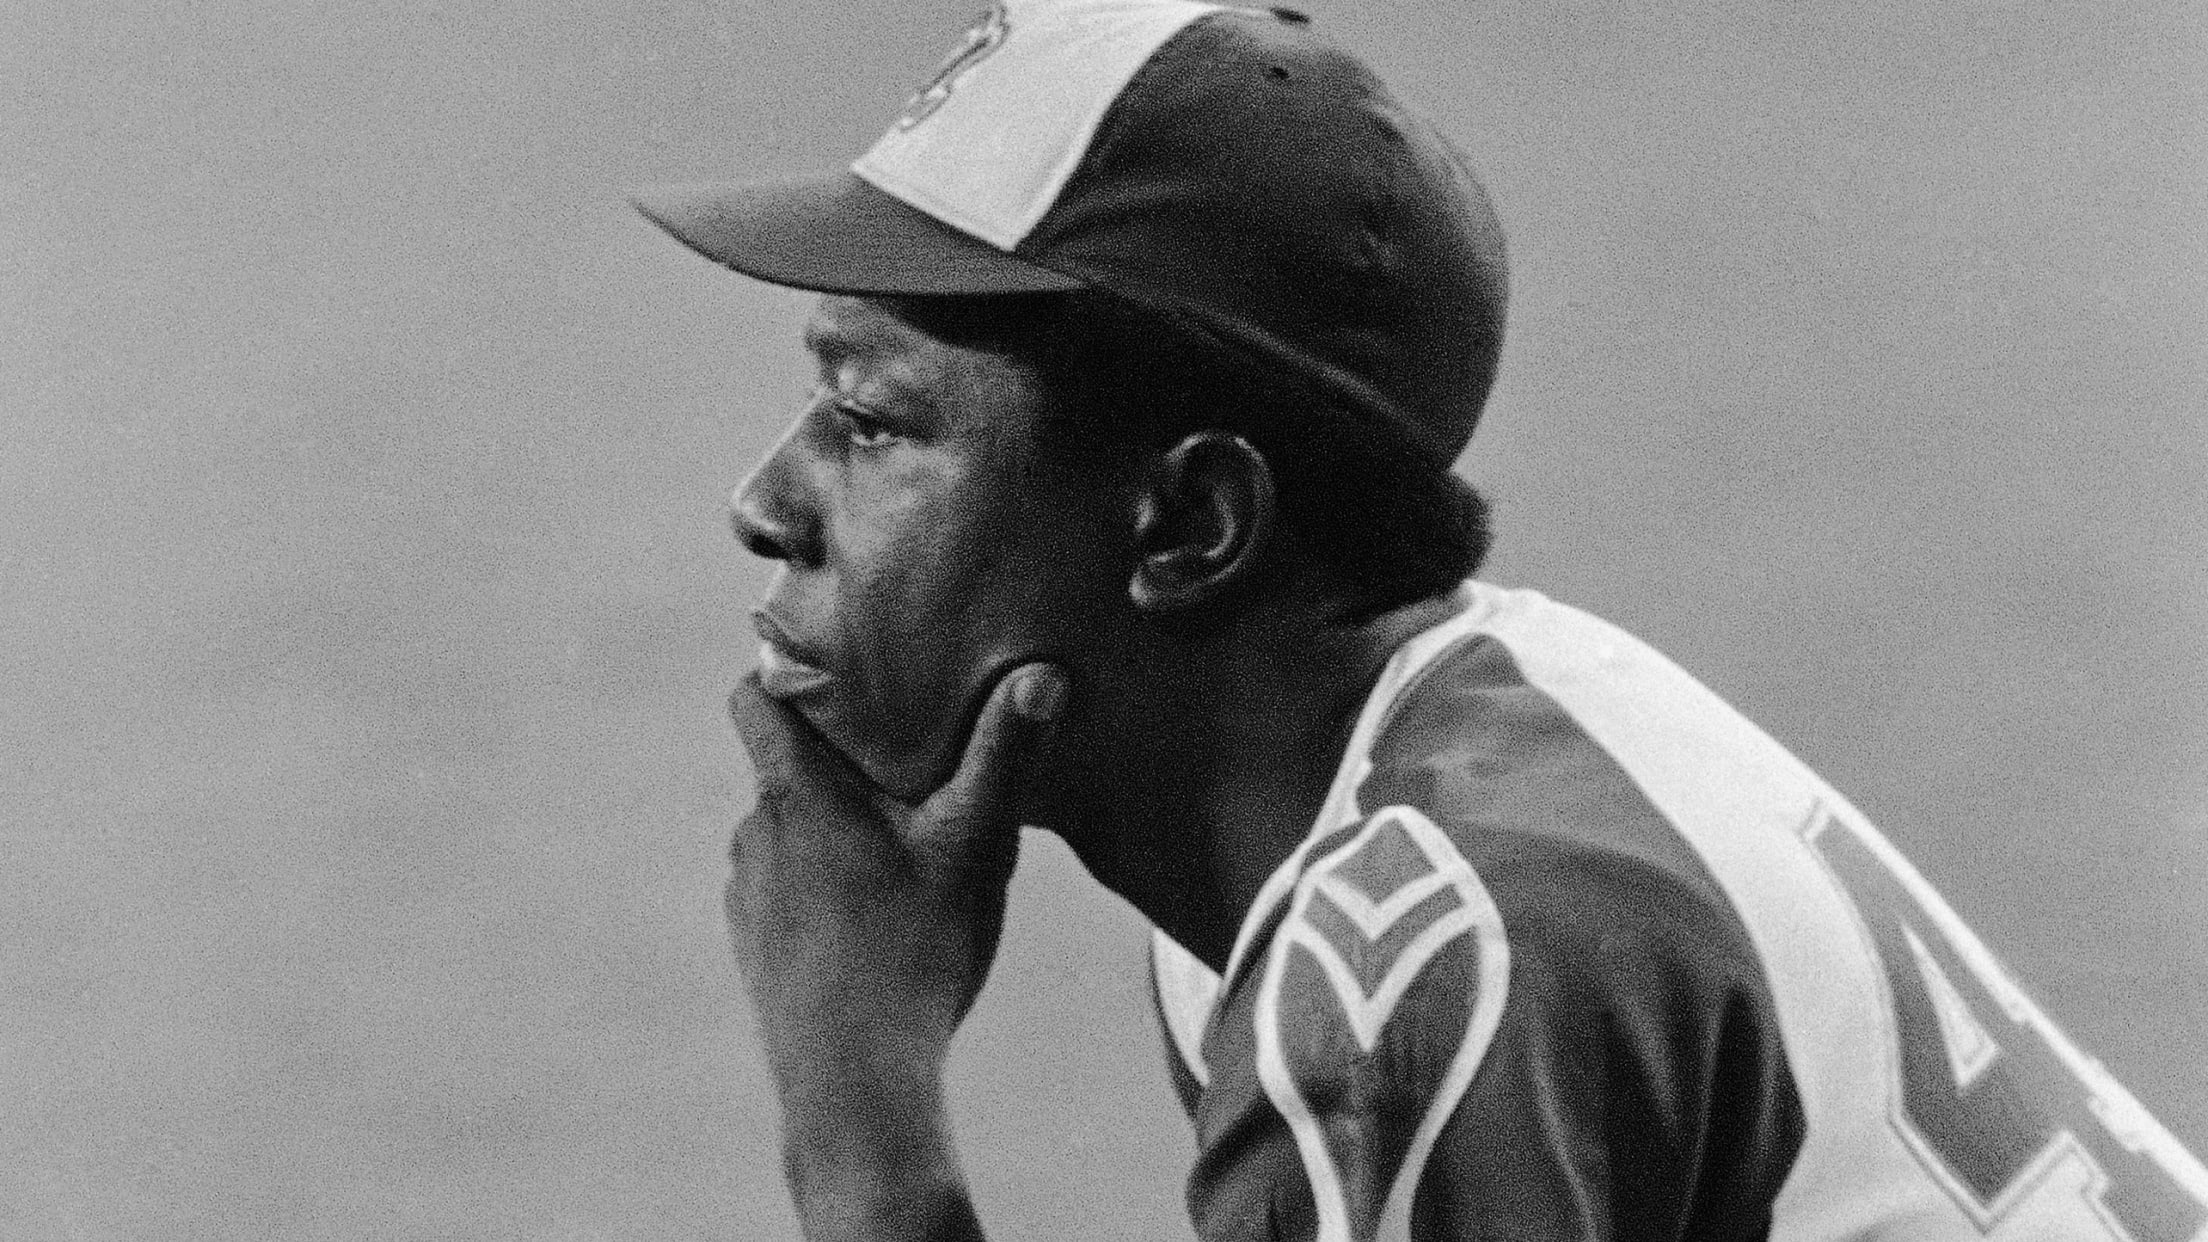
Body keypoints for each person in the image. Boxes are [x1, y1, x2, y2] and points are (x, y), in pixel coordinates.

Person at [631, 2, 2208, 1238]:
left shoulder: (1413, 959)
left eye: (873, 422)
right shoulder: (1459, 753)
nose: (766, 501)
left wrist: (863, 1121)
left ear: (1191, 522)